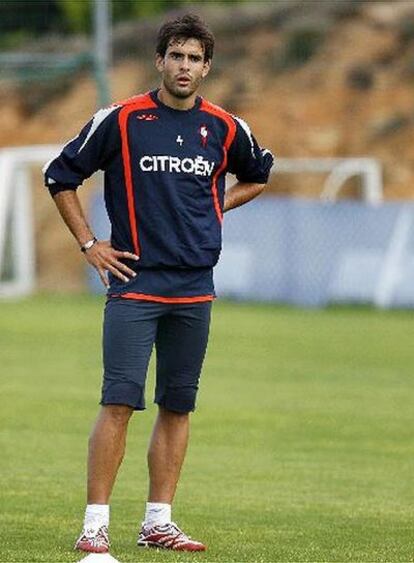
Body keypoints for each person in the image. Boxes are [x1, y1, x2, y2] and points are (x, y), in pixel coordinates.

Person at [43, 13, 273, 554]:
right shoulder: (121, 120)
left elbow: (259, 173)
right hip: (135, 284)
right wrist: (89, 244)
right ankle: (95, 527)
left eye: (195, 58)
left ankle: (157, 521)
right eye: (176, 56)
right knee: (119, 400)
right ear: (160, 60)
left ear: (207, 67)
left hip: (195, 286)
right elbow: (60, 176)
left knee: (178, 404)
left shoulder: (224, 127)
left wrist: (220, 202)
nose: (185, 66)